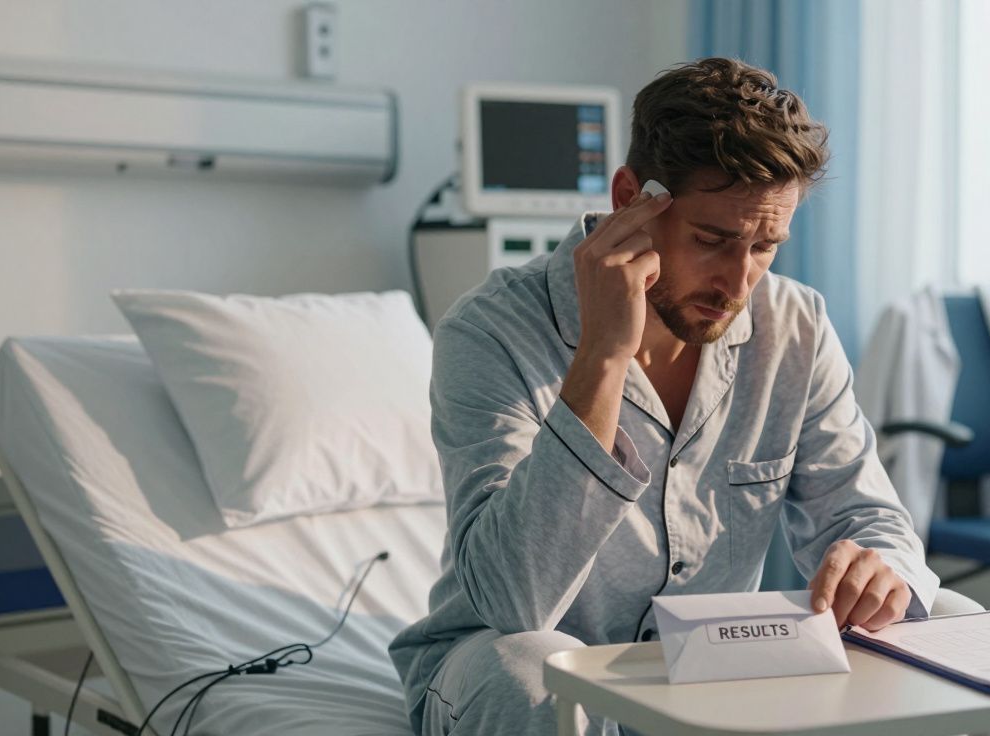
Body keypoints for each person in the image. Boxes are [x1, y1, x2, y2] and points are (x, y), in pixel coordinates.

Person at [389, 57, 939, 736]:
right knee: (541, 676)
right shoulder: (492, 329)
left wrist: (881, 572)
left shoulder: (795, 327)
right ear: (630, 198)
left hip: (704, 674)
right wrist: (602, 358)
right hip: (504, 657)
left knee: (950, 628)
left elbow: (871, 519)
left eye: (767, 246)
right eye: (713, 240)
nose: (739, 283)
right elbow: (514, 598)